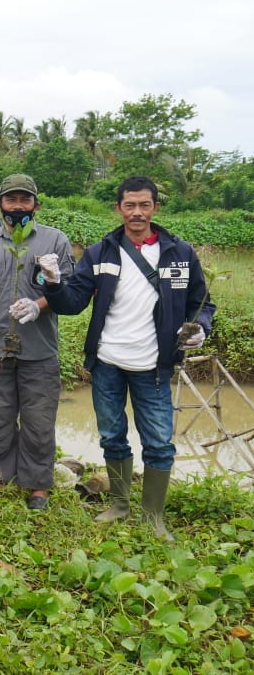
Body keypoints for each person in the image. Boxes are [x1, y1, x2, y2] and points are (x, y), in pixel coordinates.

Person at [45, 175, 214, 539]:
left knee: (158, 442)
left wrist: (200, 326)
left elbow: (203, 302)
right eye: (130, 205)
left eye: (144, 205)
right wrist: (55, 283)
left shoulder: (179, 253)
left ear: (155, 207)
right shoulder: (99, 252)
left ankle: (153, 517)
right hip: (107, 361)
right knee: (112, 435)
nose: (137, 212)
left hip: (154, 364)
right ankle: (120, 504)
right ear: (118, 208)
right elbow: (73, 303)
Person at [0, 174, 74, 509]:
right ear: (0, 204)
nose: (17, 206)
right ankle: (1, 475)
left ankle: (37, 486)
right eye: (11, 200)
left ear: (36, 204)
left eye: (24, 200)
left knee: (38, 420)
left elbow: (71, 293)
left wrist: (41, 302)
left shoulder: (55, 241)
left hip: (39, 349)